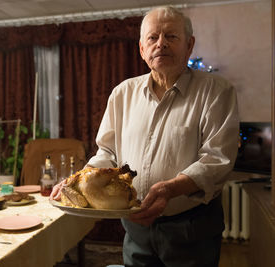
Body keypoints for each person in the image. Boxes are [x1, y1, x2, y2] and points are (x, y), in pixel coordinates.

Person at [51, 5, 239, 267]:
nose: (160, 44)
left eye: (171, 36)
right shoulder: (122, 93)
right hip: (135, 227)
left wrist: (169, 189)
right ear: (142, 49)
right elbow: (107, 154)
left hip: (191, 229)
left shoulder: (216, 91)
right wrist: (76, 180)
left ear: (189, 45)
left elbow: (217, 159)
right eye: (152, 38)